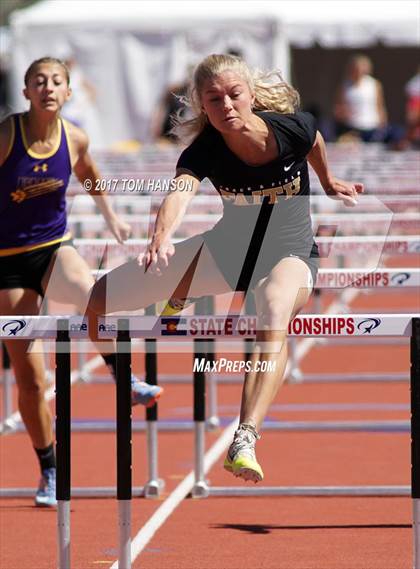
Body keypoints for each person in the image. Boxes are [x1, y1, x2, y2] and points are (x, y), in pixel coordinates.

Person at [89, 54, 363, 483]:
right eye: (214, 100)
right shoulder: (205, 150)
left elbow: (315, 142)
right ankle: (127, 378)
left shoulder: (292, 127)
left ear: (252, 95)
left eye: (235, 95)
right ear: (202, 106)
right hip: (228, 251)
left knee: (272, 311)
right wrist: (160, 237)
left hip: (289, 254)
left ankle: (245, 438)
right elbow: (179, 192)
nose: (227, 106)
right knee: (99, 300)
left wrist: (328, 184)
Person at [0, 57, 163, 508]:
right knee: (31, 380)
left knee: (95, 296)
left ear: (69, 92)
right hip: (7, 263)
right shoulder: (7, 136)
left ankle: (124, 379)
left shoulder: (75, 137)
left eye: (56, 82)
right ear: (27, 91)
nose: (48, 88)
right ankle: (49, 468)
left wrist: (111, 217)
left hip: (54, 248)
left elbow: (89, 172)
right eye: (39, 82)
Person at [334, 54, 388, 143]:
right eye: (356, 68)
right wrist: (343, 113)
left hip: (372, 127)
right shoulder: (344, 86)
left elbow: (380, 106)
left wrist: (383, 126)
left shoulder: (374, 84)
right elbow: (338, 107)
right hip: (352, 128)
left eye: (361, 68)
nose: (359, 71)